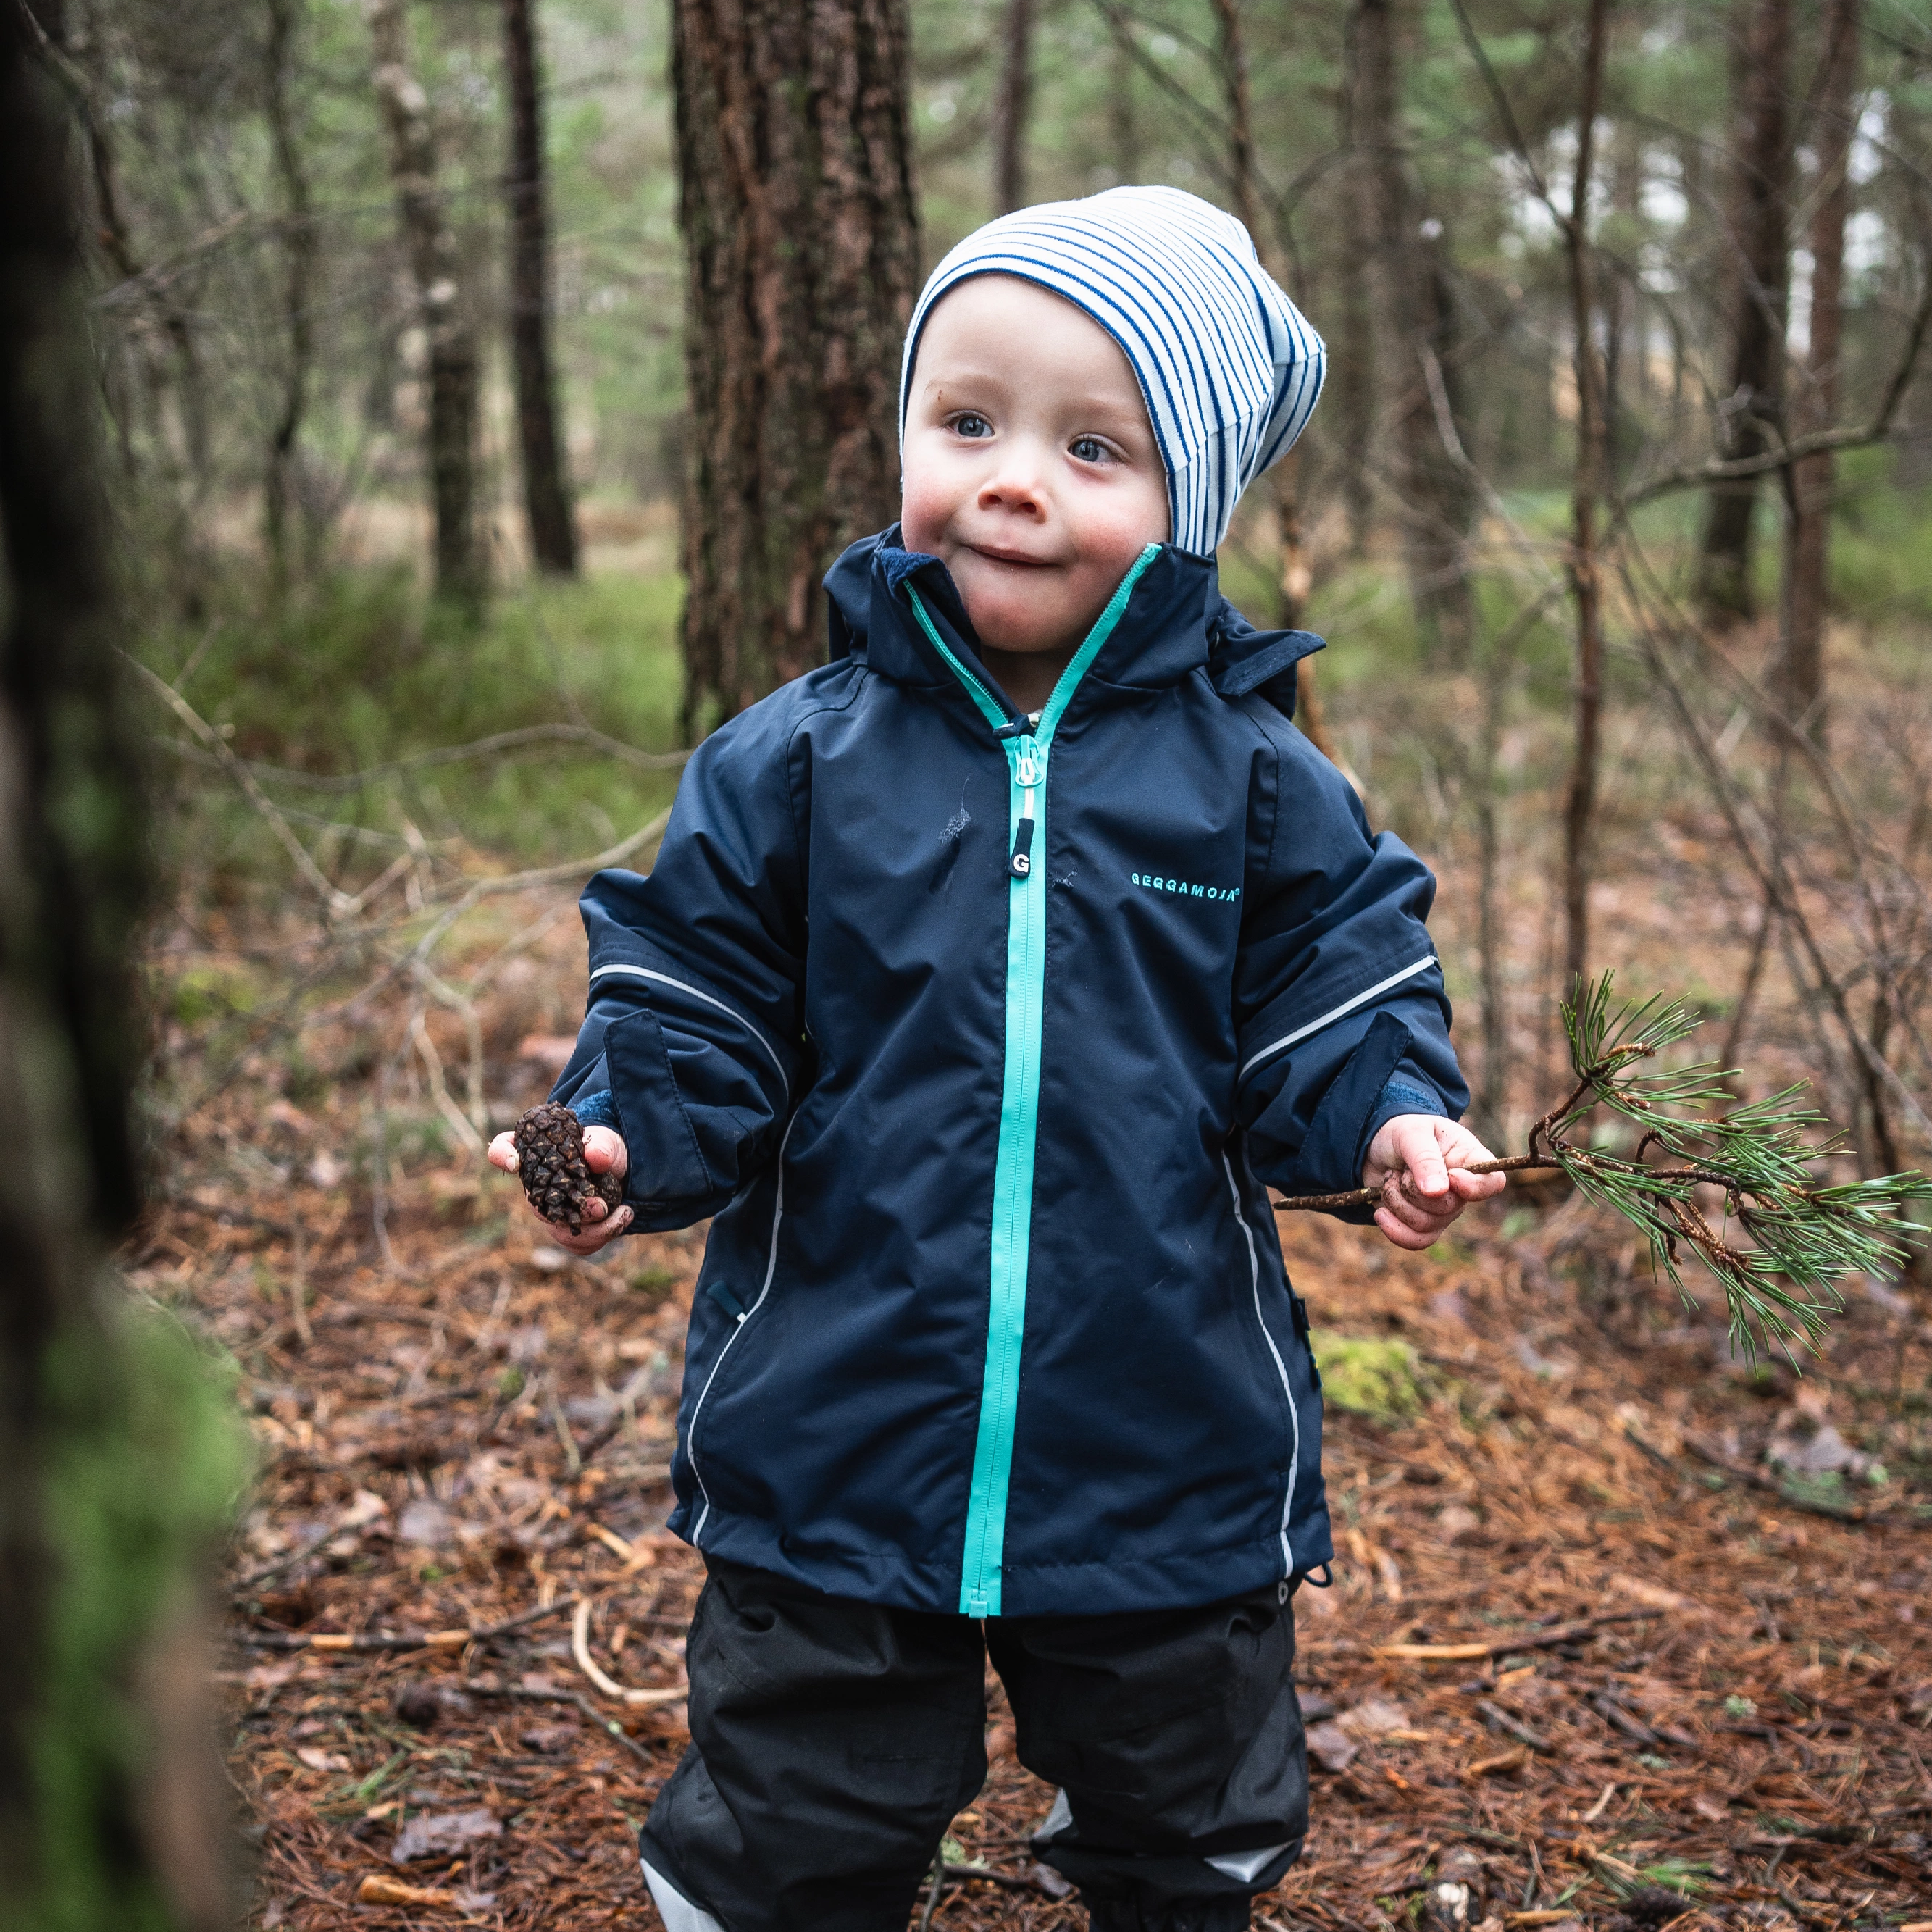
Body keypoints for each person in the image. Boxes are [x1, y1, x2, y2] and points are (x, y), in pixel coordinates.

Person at [489, 185, 1504, 1932]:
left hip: (1164, 1434)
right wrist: (621, 1136)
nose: (1012, 478)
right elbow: (695, 987)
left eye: (1092, 446)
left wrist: (1392, 1115)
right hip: (834, 1427)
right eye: (966, 422)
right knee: (793, 1807)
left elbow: (1341, 985)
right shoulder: (797, 761)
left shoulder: (1255, 782)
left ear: (1186, 504)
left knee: (1188, 1805)